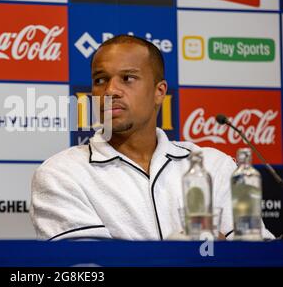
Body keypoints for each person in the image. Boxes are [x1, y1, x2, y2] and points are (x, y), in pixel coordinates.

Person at [29, 34, 274, 241]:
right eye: (100, 80)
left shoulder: (214, 165)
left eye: (128, 78)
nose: (111, 90)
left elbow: (256, 256)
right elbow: (87, 269)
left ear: (159, 93)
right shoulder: (61, 174)